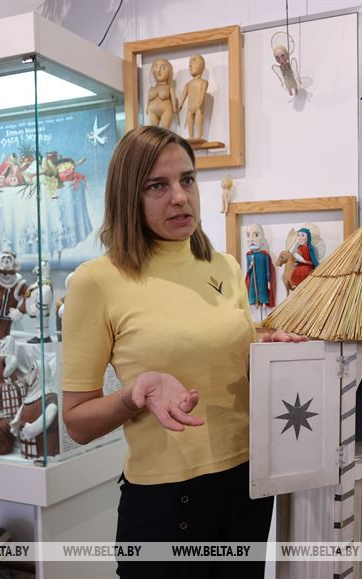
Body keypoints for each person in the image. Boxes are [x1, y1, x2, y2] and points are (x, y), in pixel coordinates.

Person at [61, 126, 303, 578]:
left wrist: (268, 356)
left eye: (187, 180)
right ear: (128, 196)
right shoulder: (96, 281)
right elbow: (76, 422)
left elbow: (232, 366)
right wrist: (135, 394)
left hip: (247, 483)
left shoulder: (224, 266)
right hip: (166, 503)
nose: (179, 197)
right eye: (158, 185)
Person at [176, 54, 208, 143]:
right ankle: (191, 136)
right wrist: (180, 104)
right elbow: (183, 95)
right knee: (189, 121)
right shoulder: (188, 84)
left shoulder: (204, 82)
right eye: (189, 63)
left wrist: (201, 101)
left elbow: (203, 93)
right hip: (190, 109)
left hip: (198, 107)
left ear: (202, 67)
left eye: (194, 62)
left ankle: (199, 136)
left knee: (198, 120)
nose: (190, 65)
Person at [146, 58, 176, 130]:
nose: (159, 70)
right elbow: (148, 101)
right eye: (156, 67)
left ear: (169, 71)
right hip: (152, 112)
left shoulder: (169, 87)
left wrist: (175, 108)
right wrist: (147, 108)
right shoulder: (151, 88)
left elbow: (173, 100)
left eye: (163, 67)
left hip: (166, 111)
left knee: (165, 131)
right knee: (154, 132)